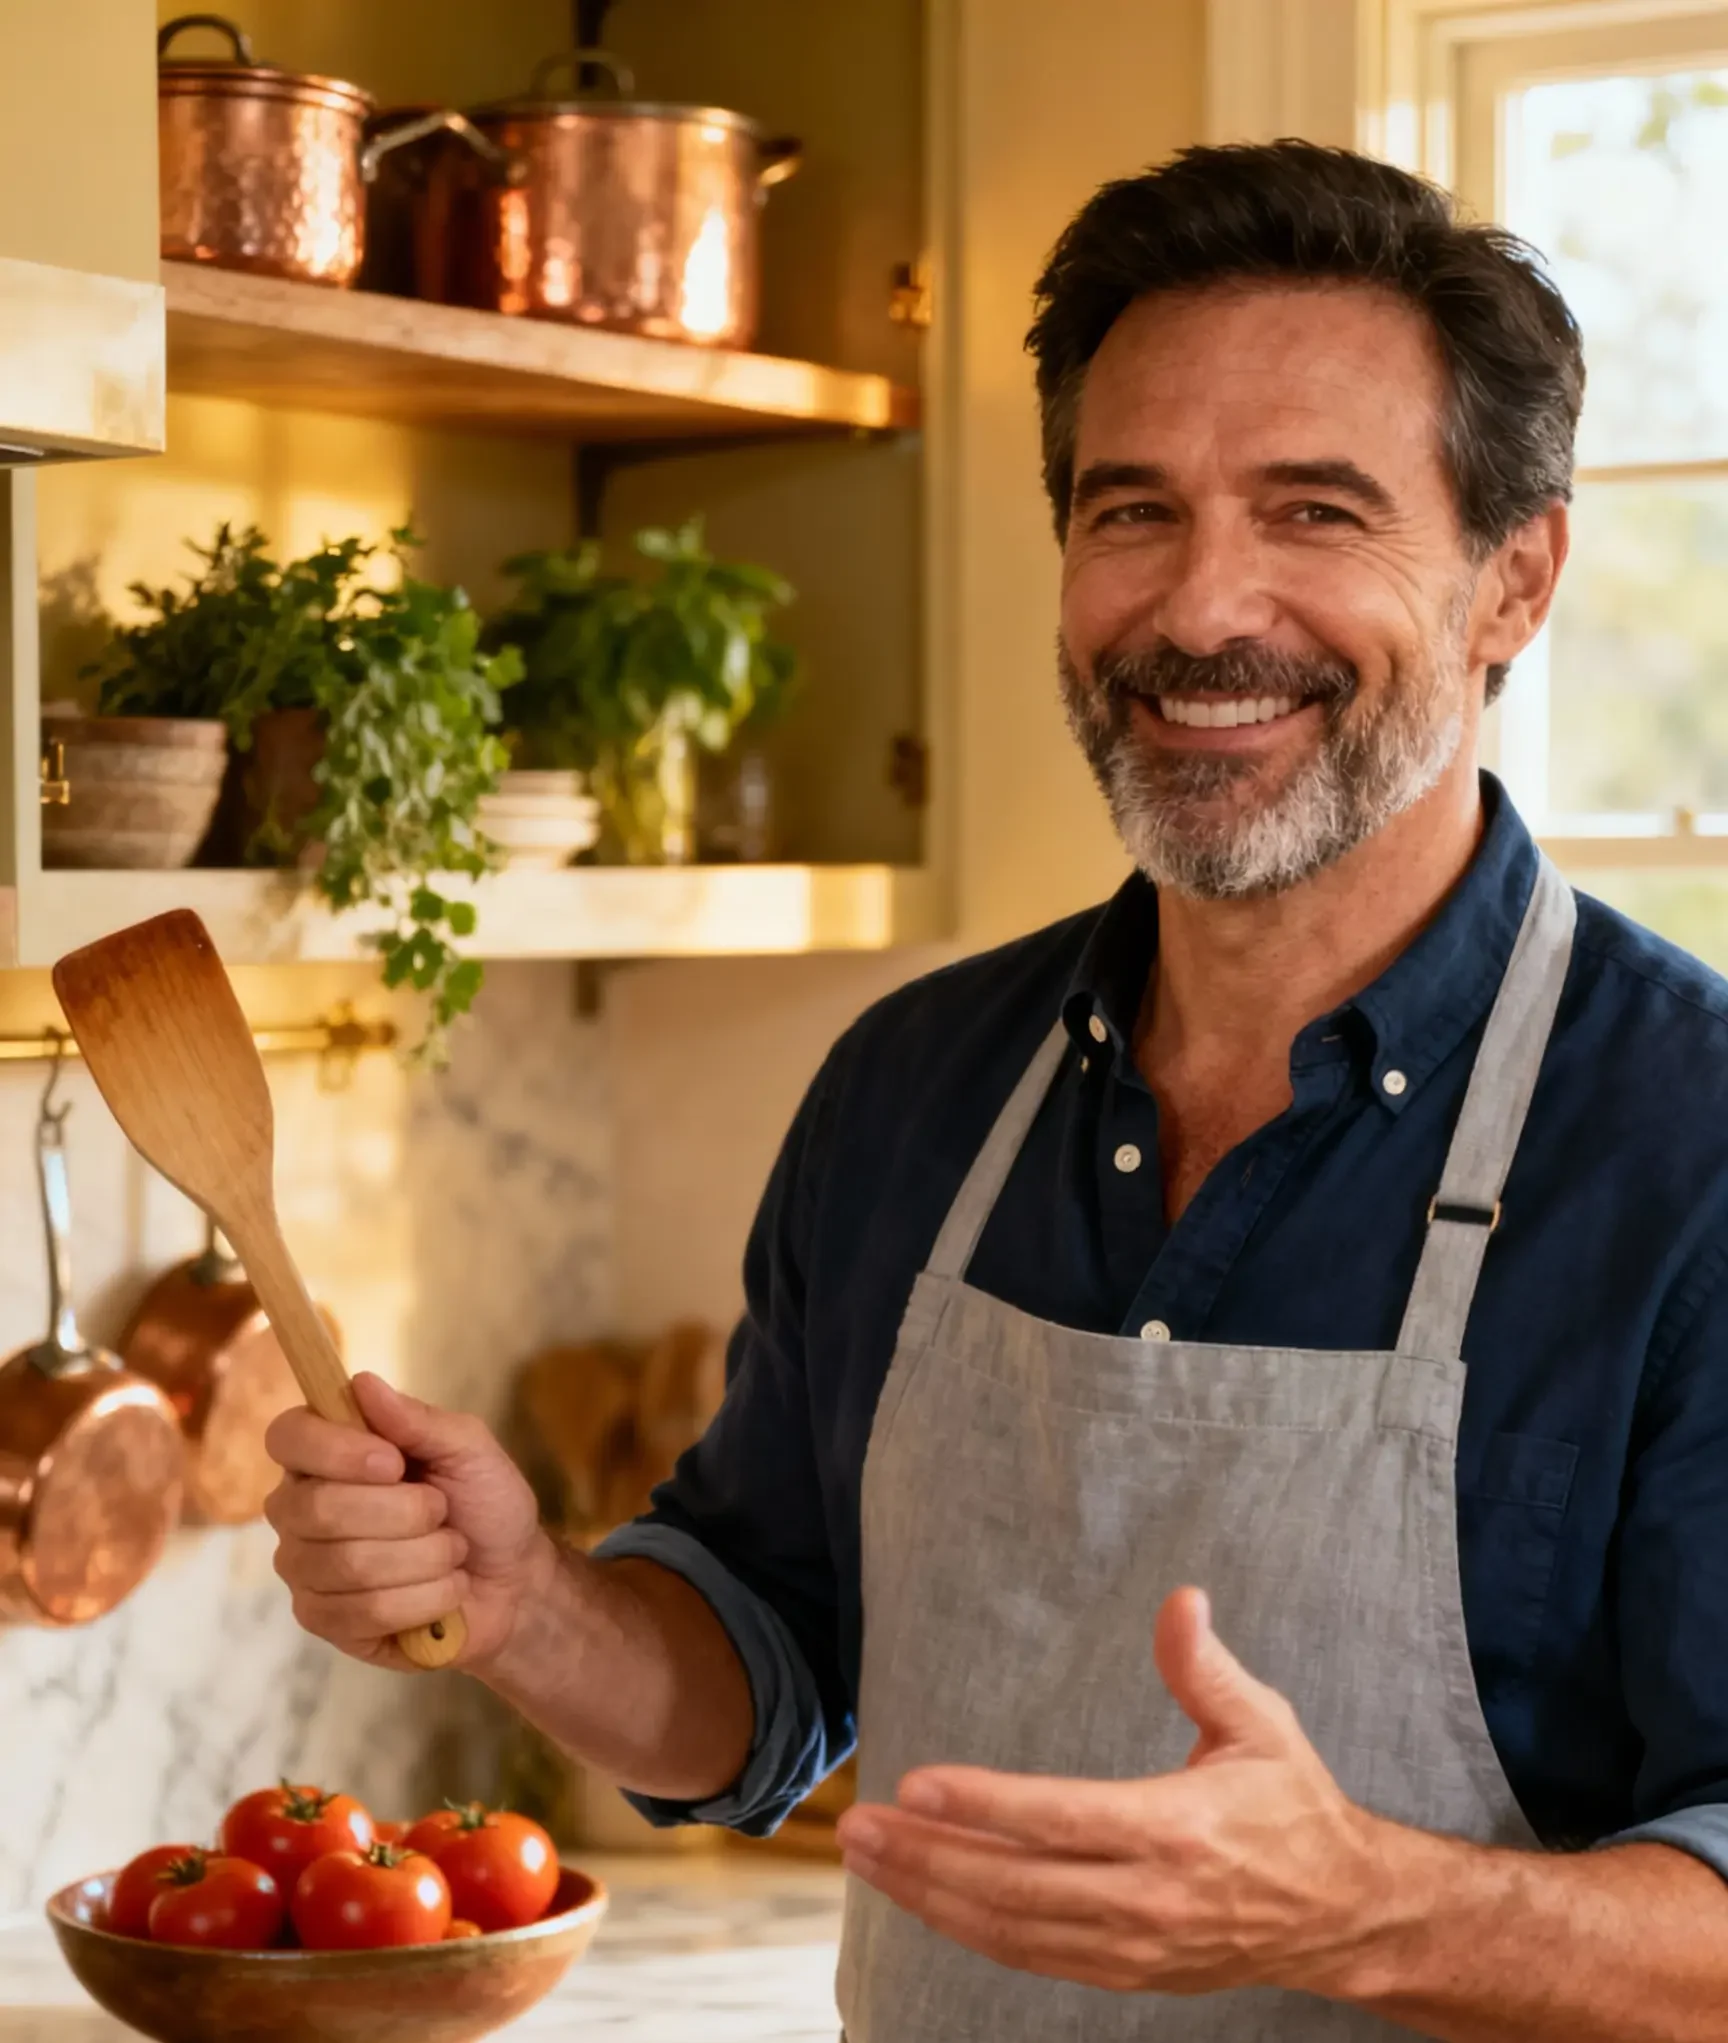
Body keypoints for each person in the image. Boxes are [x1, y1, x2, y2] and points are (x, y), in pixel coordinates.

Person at [264, 142, 1728, 2039]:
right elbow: (772, 1676)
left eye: (1313, 512)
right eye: (1134, 511)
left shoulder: (1685, 1154)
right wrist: (532, 1600)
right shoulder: (915, 1090)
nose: (1203, 609)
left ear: (1511, 581)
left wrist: (1361, 1908)